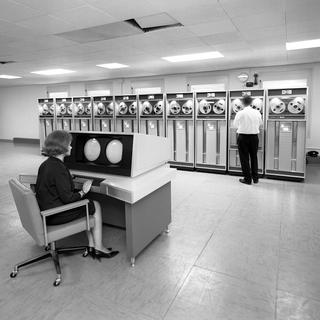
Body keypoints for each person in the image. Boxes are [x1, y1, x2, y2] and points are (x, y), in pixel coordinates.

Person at [35, 130, 118, 260]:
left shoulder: (46, 164)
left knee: (86, 205)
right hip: (56, 214)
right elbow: (68, 198)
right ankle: (99, 247)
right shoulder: (59, 169)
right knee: (94, 205)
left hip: (47, 211)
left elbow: (54, 183)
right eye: (69, 144)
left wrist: (67, 178)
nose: (71, 147)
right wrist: (83, 191)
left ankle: (92, 244)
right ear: (61, 147)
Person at [233, 95, 263, 185]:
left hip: (243, 137)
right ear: (251, 103)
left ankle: (247, 179)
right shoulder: (257, 113)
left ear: (242, 103)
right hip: (254, 137)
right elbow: (260, 124)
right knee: (254, 157)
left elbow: (235, 125)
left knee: (244, 158)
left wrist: (243, 127)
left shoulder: (240, 113)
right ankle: (255, 178)